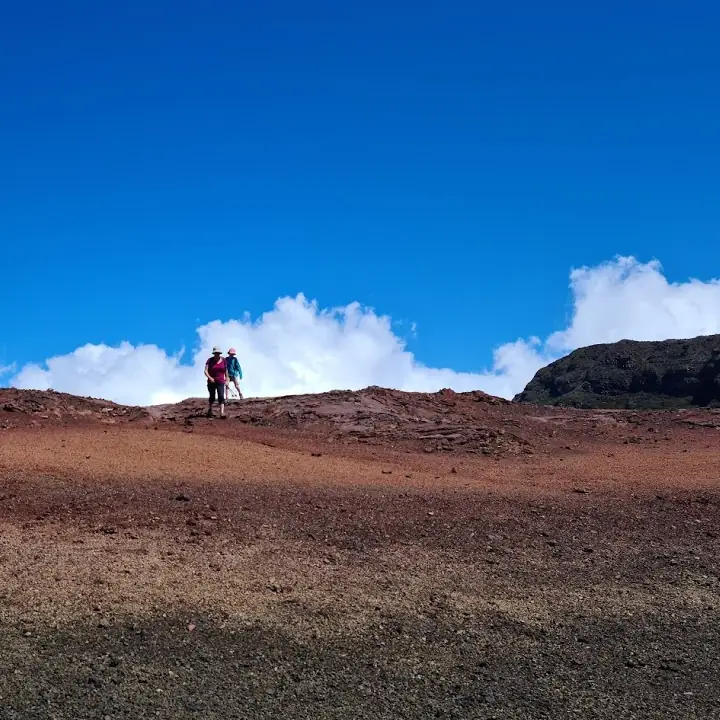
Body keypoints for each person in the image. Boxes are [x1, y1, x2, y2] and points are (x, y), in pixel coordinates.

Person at [204, 346, 228, 418]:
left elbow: (226, 371)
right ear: (214, 353)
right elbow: (205, 371)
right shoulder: (210, 360)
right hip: (211, 381)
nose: (217, 354)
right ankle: (210, 410)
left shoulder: (223, 360)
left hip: (221, 381)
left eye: (218, 353)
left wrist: (227, 379)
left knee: (221, 395)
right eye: (216, 353)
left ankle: (222, 413)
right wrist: (210, 378)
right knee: (212, 396)